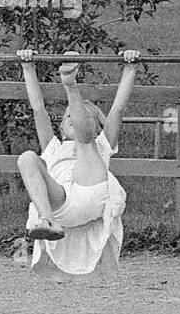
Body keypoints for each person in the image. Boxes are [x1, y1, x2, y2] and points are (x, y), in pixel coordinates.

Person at [16, 49, 140, 280]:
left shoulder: (101, 143)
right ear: (61, 128)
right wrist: (27, 67)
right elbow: (38, 109)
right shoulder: (53, 146)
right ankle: (46, 221)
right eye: (67, 117)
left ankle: (70, 84)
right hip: (60, 205)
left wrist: (130, 68)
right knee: (27, 158)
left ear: (98, 126)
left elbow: (118, 108)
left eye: (82, 115)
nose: (72, 117)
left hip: (90, 194)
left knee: (85, 143)